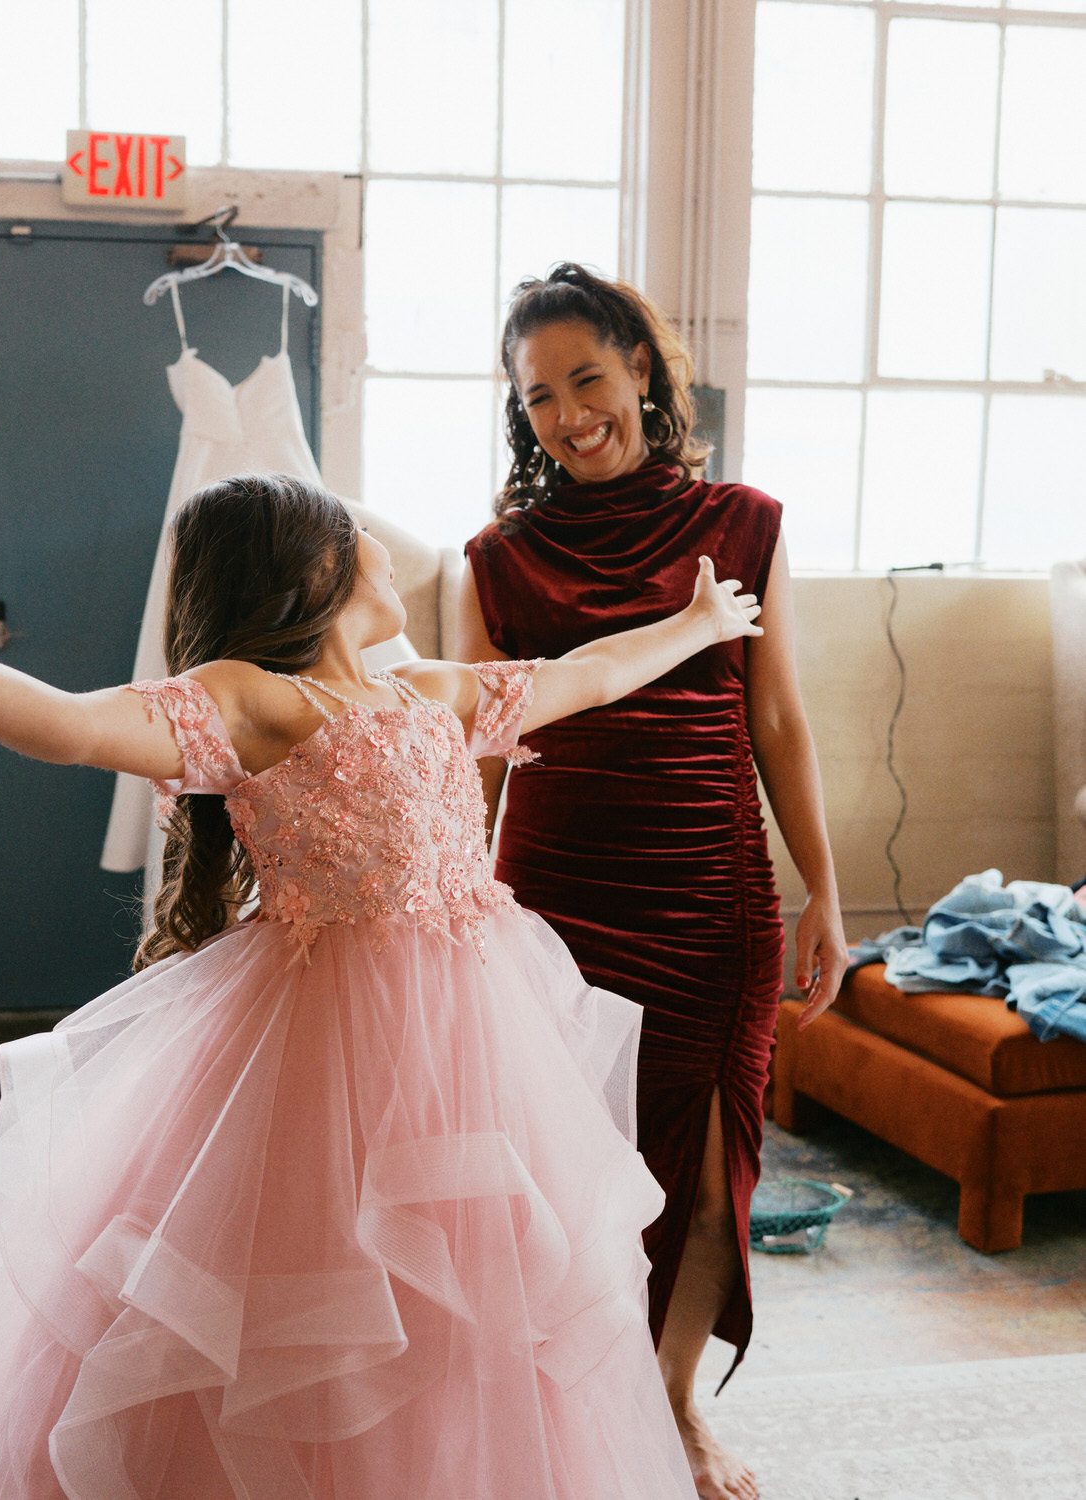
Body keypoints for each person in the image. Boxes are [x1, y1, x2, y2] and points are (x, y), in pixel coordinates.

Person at [0, 473, 761, 1500]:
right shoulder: (256, 702)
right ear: (316, 572)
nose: (383, 546)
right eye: (358, 532)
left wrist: (699, 625)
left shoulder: (430, 693)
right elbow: (69, 724)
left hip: (472, 1065)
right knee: (313, 1324)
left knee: (468, 1317)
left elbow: (586, 675)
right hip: (320, 1063)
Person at [458, 265, 848, 1500]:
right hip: (554, 907)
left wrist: (824, 890)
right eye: (539, 396)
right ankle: (576, 1403)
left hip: (711, 899)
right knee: (564, 1165)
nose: (569, 414)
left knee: (709, 1160)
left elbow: (777, 719)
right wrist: (452, 905)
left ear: (641, 368)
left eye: (588, 378)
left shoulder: (744, 523)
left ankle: (672, 1405)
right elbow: (478, 747)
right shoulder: (499, 558)